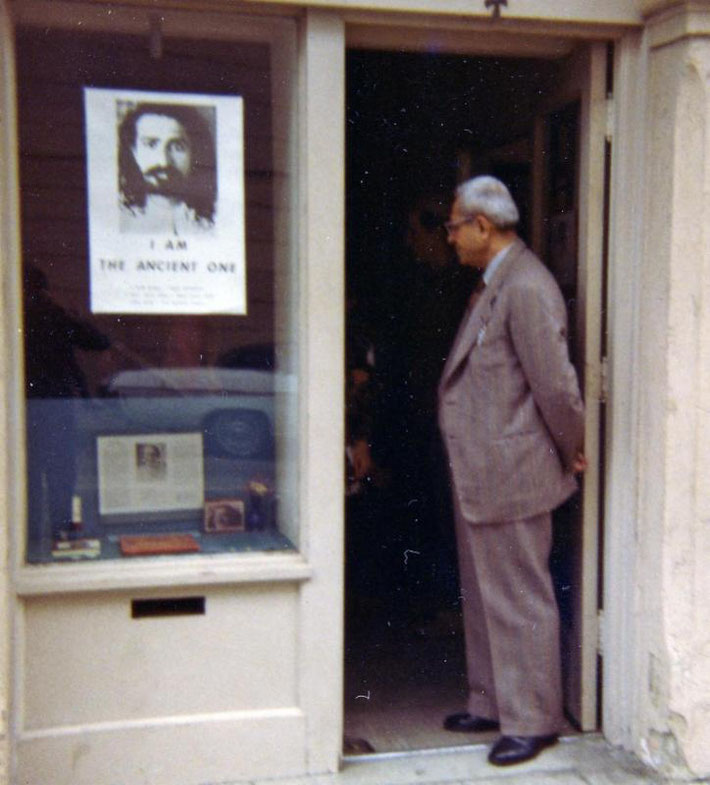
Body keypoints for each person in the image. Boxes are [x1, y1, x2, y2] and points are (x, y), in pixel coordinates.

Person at [437, 176, 587, 766]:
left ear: (482, 225)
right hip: (485, 466)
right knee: (484, 592)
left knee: (519, 596)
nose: (449, 237)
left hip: (513, 468)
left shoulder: (526, 285)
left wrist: (571, 445)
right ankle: (492, 701)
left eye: (454, 225)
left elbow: (556, 384)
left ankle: (532, 719)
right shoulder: (496, 282)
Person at [118, 102, 217, 235]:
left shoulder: (216, 222)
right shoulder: (120, 221)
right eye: (151, 144)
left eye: (177, 147)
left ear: (194, 153)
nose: (163, 160)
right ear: (134, 151)